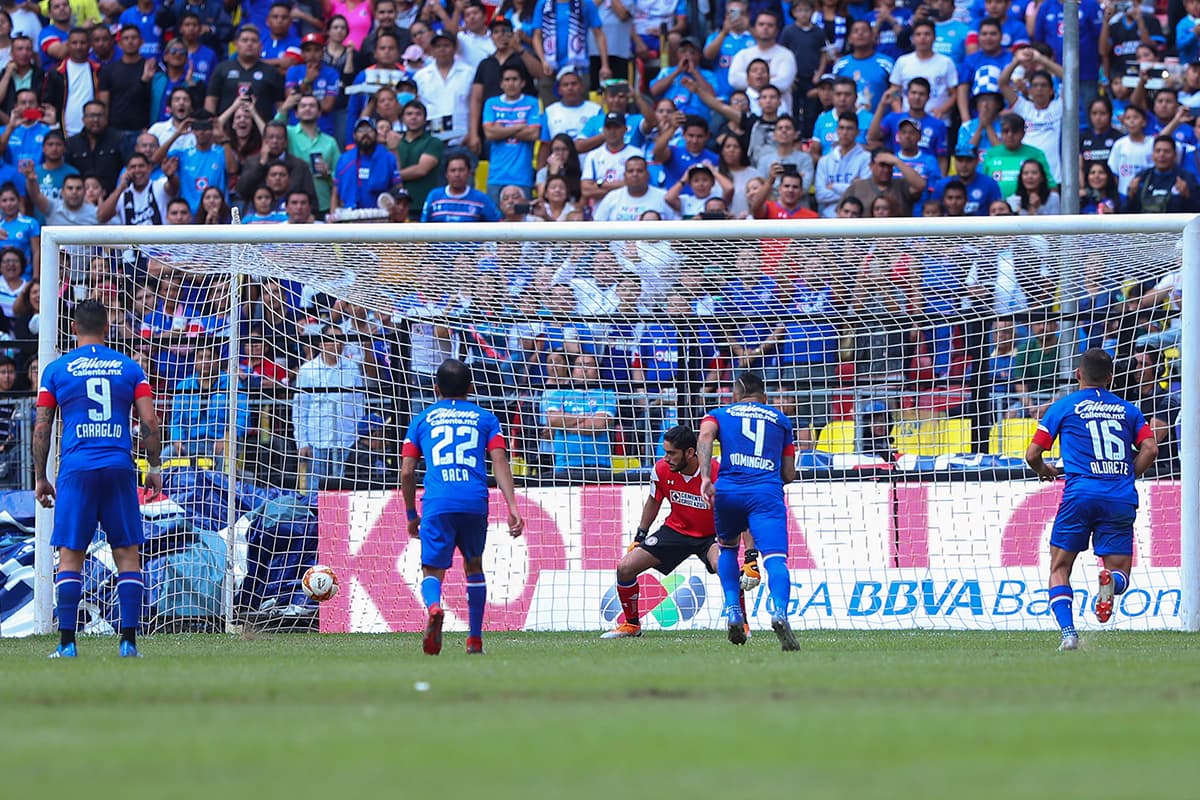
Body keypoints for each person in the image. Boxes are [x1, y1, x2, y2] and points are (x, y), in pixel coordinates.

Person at [33, 299, 163, 658]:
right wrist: (154, 467)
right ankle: (128, 643)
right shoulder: (130, 368)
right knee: (127, 553)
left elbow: (42, 426)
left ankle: (67, 645)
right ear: (107, 329)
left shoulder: (57, 370)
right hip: (119, 466)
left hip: (76, 468)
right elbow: (149, 423)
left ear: (73, 328)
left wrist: (41, 477)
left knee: (71, 555)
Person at [1024, 348, 1159, 652]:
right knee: (1120, 572)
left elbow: (1032, 455)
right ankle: (1110, 581)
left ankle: (1069, 634)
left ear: (1078, 375)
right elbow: (1150, 449)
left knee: (1059, 567)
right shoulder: (1129, 410)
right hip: (1119, 496)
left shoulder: (1062, 407)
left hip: (1080, 494)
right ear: (1110, 378)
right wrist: (1126, 475)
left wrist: (1045, 470)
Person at [400, 358, 525, 656]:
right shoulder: (486, 418)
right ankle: (475, 640)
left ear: (435, 388)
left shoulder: (422, 419)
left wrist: (410, 514)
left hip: (438, 501)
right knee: (474, 566)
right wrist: (512, 507)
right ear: (471, 388)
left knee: (432, 570)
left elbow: (406, 472)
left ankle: (434, 607)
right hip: (473, 501)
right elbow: (499, 461)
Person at [601, 425, 759, 639]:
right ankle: (631, 625)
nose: (666, 458)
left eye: (671, 453)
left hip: (711, 536)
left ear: (690, 452)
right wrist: (640, 536)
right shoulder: (661, 470)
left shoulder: (718, 473)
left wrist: (751, 557)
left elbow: (742, 515)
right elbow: (654, 500)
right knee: (625, 568)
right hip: (676, 530)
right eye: (665, 452)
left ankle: (740, 623)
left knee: (726, 568)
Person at [698, 371, 799, 651]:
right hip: (766, 493)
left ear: (736, 394)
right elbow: (788, 474)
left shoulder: (718, 413)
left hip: (728, 491)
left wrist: (706, 477)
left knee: (728, 550)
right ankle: (779, 612)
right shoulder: (781, 419)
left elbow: (705, 437)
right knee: (775, 559)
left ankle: (733, 611)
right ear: (763, 396)